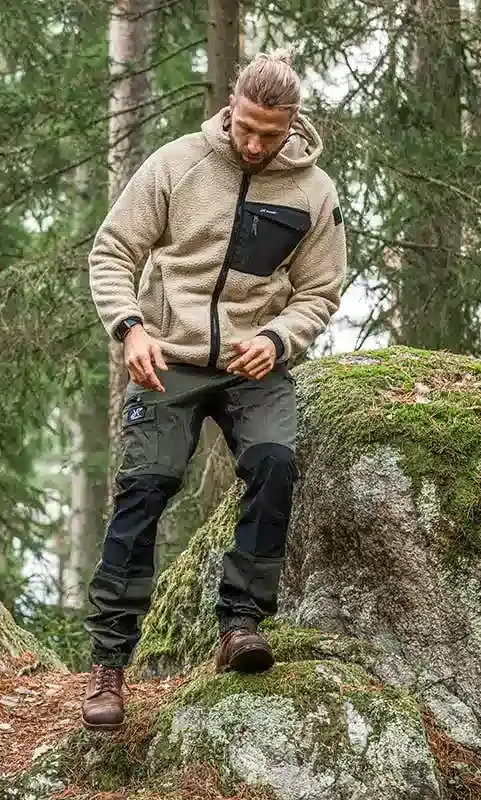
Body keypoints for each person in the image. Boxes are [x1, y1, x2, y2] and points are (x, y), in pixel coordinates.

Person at [81, 50, 347, 730]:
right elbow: (113, 251)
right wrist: (131, 329)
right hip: (166, 355)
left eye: (271, 133)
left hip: (253, 361)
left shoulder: (314, 192)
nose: (256, 144)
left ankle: (240, 624)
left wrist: (280, 338)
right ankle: (109, 665)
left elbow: (320, 291)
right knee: (147, 485)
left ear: (293, 123)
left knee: (274, 462)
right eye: (247, 128)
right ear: (231, 107)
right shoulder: (176, 164)